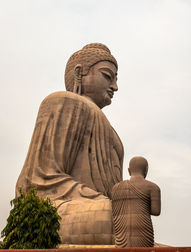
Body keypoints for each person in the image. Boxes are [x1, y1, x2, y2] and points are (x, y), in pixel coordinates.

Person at [16, 43, 124, 245]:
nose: (115, 87)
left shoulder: (111, 131)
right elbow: (36, 181)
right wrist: (97, 200)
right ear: (79, 73)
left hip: (100, 207)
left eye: (116, 79)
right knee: (112, 217)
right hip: (60, 207)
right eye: (107, 76)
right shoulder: (61, 102)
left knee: (129, 216)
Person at [112, 156, 161, 247]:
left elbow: (114, 212)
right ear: (146, 170)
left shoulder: (116, 188)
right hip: (143, 234)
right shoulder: (153, 187)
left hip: (121, 235)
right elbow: (156, 211)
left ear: (129, 170)